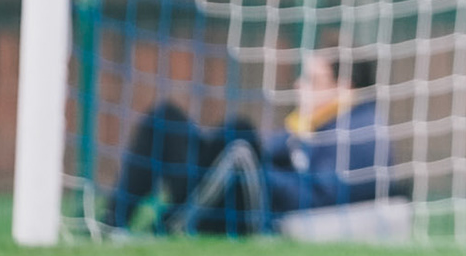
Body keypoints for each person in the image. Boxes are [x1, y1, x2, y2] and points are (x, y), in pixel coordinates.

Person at [105, 51, 397, 234]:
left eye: (312, 80)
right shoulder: (312, 124)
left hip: (260, 213)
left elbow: (320, 196)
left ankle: (167, 227)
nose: (299, 85)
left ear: (344, 87)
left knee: (240, 136)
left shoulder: (360, 133)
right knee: (166, 119)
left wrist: (264, 171)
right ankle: (112, 221)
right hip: (233, 190)